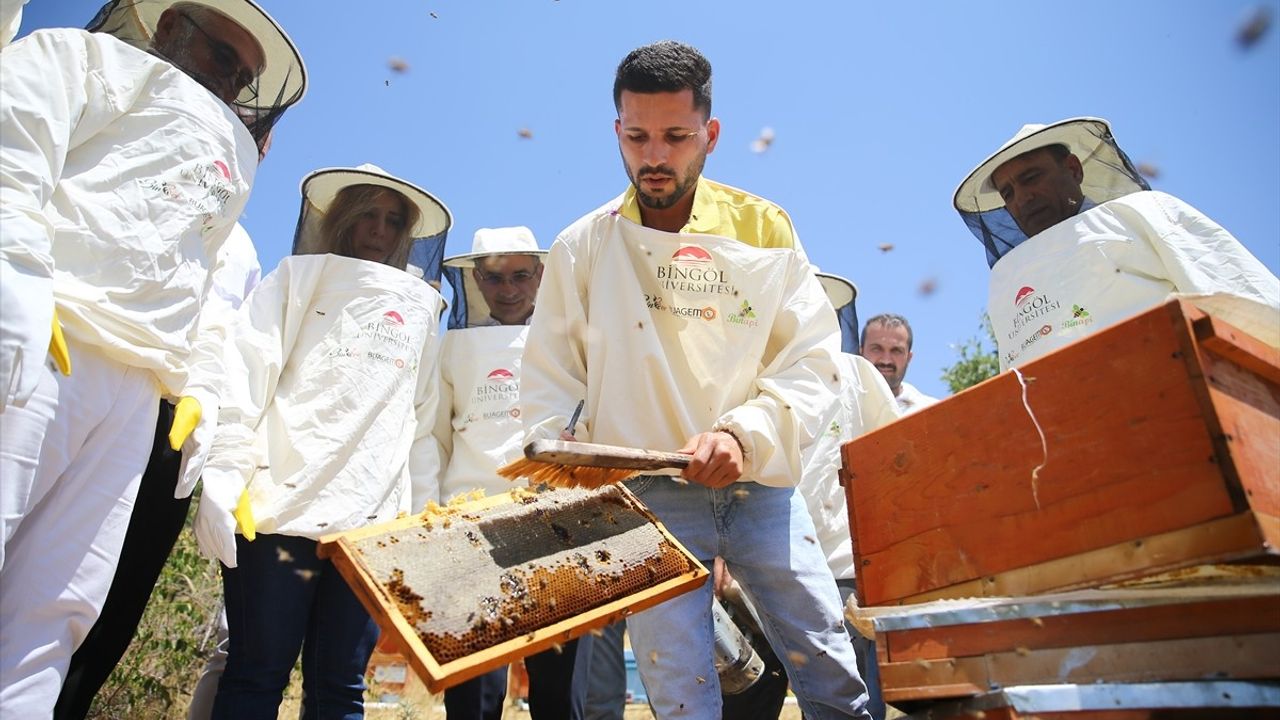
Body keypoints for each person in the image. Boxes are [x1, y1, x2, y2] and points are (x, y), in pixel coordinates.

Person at [519, 40, 872, 719]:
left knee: (831, 672)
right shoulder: (583, 245)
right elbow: (550, 378)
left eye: (676, 137)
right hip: (647, 501)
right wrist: (560, 454)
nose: (654, 156)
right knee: (681, 695)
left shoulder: (764, 227)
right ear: (616, 131)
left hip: (761, 490)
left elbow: (810, 357)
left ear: (710, 134)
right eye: (637, 137)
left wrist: (744, 434)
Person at [0, 1, 305, 714]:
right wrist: (16, 284)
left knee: (59, 608)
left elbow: (200, 289)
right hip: (47, 342)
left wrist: (200, 389)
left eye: (244, 79)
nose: (231, 84)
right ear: (168, 28)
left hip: (138, 396)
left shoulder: (224, 169)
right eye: (223, 57)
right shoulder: (73, 58)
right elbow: (13, 155)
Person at [195, 163, 450, 719]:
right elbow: (246, 374)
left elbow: (420, 425)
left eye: (393, 220)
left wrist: (419, 523)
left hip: (368, 529)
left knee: (340, 688)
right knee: (256, 674)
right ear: (341, 219)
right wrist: (225, 471)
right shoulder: (294, 279)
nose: (379, 230)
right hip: (277, 514)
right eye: (367, 215)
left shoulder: (421, 310)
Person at [953, 116, 1280, 369]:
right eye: (1008, 193)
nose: (1022, 198)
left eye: (1031, 177)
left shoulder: (1143, 212)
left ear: (1073, 169)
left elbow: (1244, 298)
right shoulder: (1007, 280)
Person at [722, 272, 901, 720]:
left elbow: (894, 464)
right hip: (753, 574)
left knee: (840, 704)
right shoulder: (744, 374)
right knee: (745, 704)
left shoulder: (858, 375)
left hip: (841, 573)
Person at [433, 226, 595, 719]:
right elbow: (435, 440)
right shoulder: (450, 349)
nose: (508, 289)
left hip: (558, 528)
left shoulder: (572, 344)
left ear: (541, 276)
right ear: (476, 279)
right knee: (474, 695)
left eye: (520, 276)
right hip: (472, 530)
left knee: (558, 694)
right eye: (495, 277)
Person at [859, 314, 937, 414]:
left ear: (909, 357)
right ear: (860, 353)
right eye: (876, 349)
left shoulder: (932, 412)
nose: (886, 360)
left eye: (896, 351)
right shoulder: (842, 406)